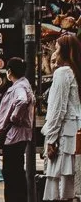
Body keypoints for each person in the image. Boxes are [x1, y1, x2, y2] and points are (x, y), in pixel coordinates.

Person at [43, 33, 81, 202]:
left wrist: (50, 139)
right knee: (72, 184)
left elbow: (57, 110)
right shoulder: (75, 72)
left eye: (57, 49)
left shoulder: (63, 73)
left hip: (64, 137)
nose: (54, 53)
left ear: (64, 52)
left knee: (60, 188)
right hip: (75, 134)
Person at [0, 57, 35, 202]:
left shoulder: (19, 87)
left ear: (9, 71)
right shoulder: (23, 84)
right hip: (17, 136)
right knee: (16, 172)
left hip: (14, 137)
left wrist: (15, 117)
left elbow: (22, 101)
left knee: (11, 173)